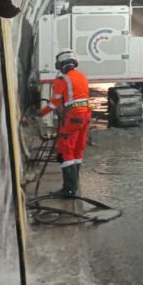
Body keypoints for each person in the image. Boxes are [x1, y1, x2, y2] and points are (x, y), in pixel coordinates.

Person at [40, 50, 91, 197]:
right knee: (78, 149)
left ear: (61, 65)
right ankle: (74, 185)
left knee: (65, 150)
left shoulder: (62, 80)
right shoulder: (82, 76)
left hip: (74, 117)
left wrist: (40, 114)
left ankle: (69, 190)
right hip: (86, 115)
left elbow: (54, 104)